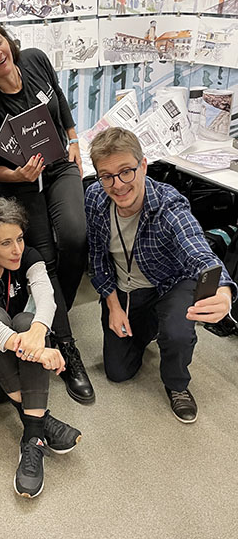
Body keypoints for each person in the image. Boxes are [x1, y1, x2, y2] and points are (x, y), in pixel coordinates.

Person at [0, 12, 94, 405]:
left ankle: (51, 310)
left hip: (60, 165)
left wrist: (73, 139)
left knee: (75, 235)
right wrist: (17, 174)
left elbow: (59, 98)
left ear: (7, 39)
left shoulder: (34, 60)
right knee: (42, 258)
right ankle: (66, 345)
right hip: (19, 181)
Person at [85, 127, 236, 422]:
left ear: (143, 165)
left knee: (177, 333)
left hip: (170, 283)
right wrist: (113, 305)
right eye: (107, 176)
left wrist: (224, 290)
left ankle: (177, 384)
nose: (118, 184)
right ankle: (152, 324)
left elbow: (196, 247)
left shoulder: (169, 205)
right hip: (127, 288)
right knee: (118, 372)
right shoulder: (94, 197)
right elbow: (97, 257)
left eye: (126, 171)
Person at [0, 197, 81, 499]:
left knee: (27, 320)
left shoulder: (29, 257)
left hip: (19, 374)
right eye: (6, 243)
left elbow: (46, 297)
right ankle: (41, 419)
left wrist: (38, 331)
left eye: (20, 239)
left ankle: (33, 437)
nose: (17, 250)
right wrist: (34, 348)